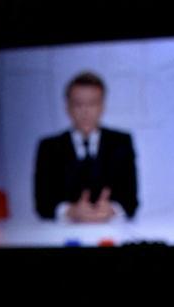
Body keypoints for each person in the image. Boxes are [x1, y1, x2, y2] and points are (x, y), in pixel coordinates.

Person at [34, 71, 139, 222]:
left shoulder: (121, 143)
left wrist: (112, 209)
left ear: (102, 106)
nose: (85, 112)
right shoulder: (49, 147)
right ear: (67, 107)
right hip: (61, 235)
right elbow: (42, 204)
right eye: (78, 104)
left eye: (92, 104)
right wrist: (70, 211)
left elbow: (131, 202)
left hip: (112, 232)